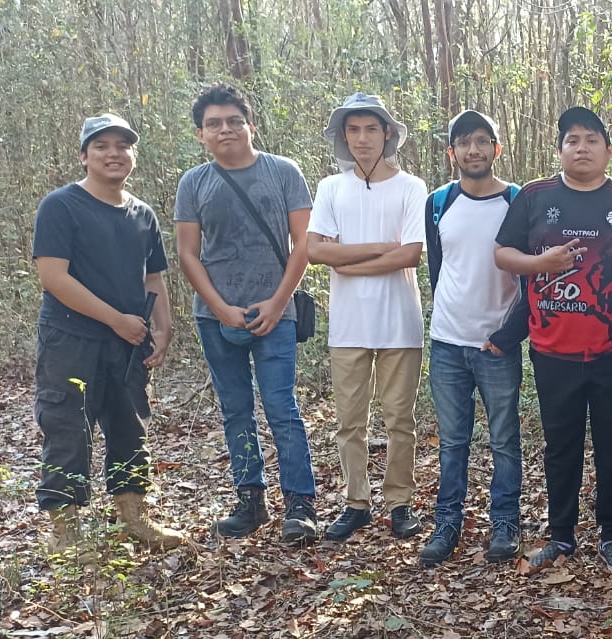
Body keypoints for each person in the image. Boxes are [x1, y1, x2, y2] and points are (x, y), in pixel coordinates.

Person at [493, 106, 612, 575]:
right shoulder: (536, 197)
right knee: (561, 444)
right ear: (559, 148)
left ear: (607, 148)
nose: (582, 148)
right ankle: (561, 535)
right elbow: (502, 253)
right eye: (572, 140)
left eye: (592, 139)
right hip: (552, 346)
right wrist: (542, 263)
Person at [174, 83, 321, 545]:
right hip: (215, 317)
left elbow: (305, 245)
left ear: (250, 125)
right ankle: (250, 499)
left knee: (282, 407)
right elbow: (187, 253)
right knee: (235, 409)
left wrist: (278, 304)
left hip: (276, 311)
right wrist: (221, 309)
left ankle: (300, 504)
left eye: (234, 121)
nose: (225, 130)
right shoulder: (193, 183)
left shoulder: (283, 172)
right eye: (214, 124)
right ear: (201, 134)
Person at [32, 113, 184, 561]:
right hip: (70, 338)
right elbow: (54, 278)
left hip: (129, 342)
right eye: (102, 146)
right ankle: (65, 532)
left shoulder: (142, 214)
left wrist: (163, 325)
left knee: (130, 426)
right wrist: (114, 318)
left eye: (123, 145)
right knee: (68, 427)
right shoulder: (60, 206)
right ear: (84, 156)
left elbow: (153, 276)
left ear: (133, 154)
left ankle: (134, 516)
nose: (114, 153)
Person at [304, 93, 428, 543]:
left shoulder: (413, 188)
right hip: (348, 324)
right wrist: (380, 247)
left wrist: (348, 260)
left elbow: (411, 253)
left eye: (370, 129)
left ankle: (399, 502)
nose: (361, 139)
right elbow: (316, 250)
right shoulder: (330, 188)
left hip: (400, 322)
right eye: (352, 130)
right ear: (343, 137)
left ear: (387, 134)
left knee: (399, 418)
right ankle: (356, 502)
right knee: (350, 421)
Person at [420, 109, 529, 566]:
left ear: (497, 149)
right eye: (464, 142)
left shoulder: (518, 201)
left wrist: (507, 335)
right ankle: (448, 522)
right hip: (446, 342)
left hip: (495, 346)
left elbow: (530, 280)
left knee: (504, 438)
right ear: (452, 153)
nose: (474, 149)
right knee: (452, 441)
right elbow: (438, 270)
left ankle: (504, 521)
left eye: (483, 140)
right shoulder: (438, 202)